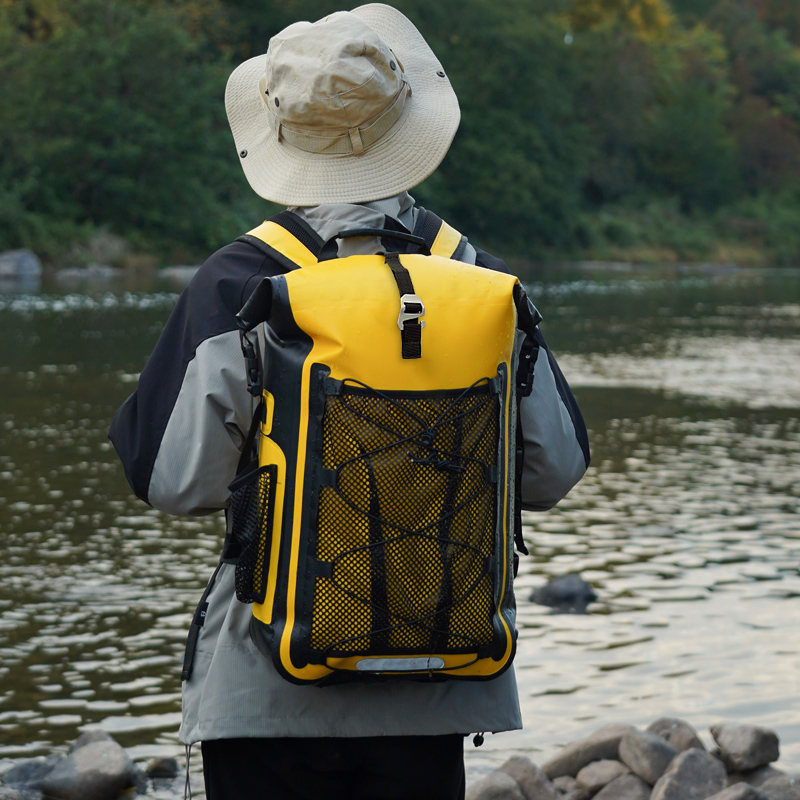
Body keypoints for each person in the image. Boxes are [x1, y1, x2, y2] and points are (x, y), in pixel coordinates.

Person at [109, 5, 590, 799]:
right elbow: (553, 472)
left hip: (268, 684)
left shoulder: (239, 285)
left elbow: (176, 483)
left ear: (281, 138)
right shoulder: (480, 283)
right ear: (407, 128)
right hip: (438, 681)